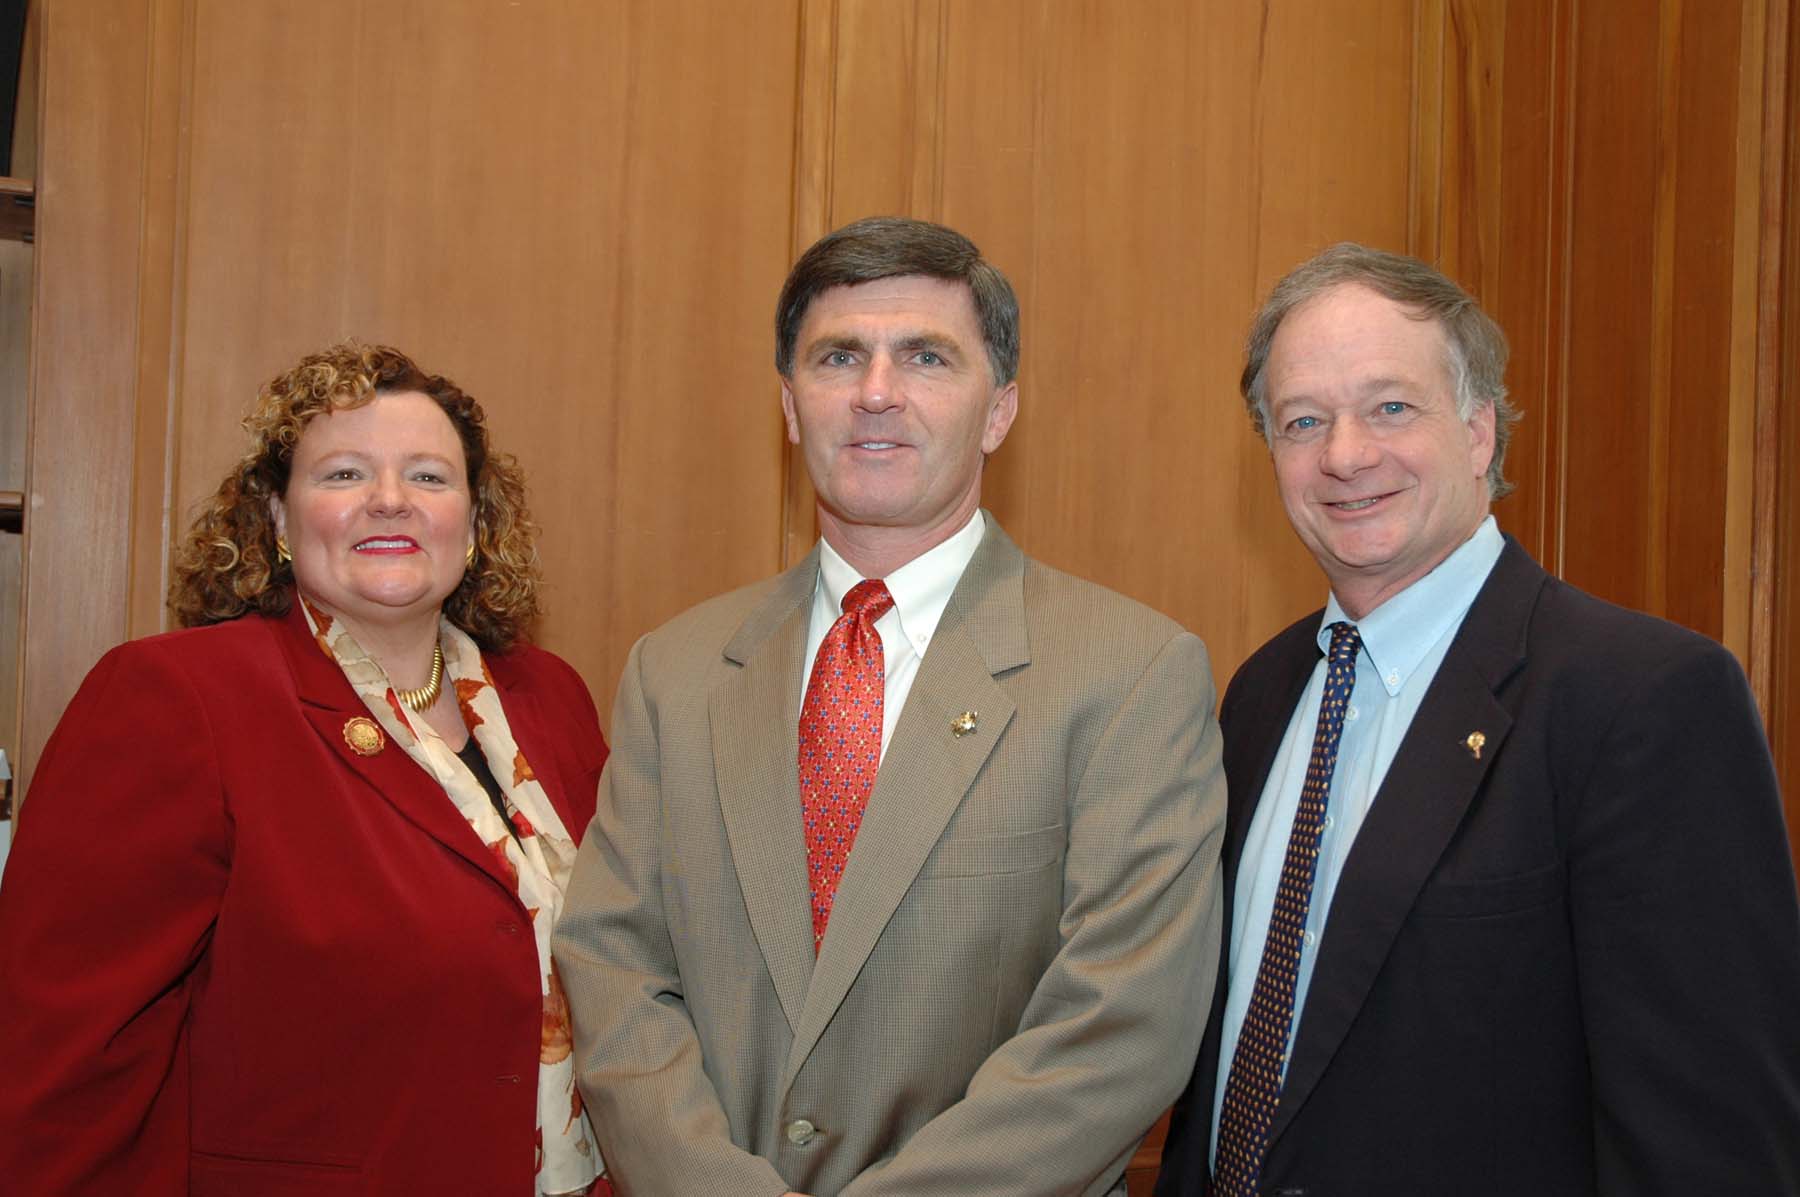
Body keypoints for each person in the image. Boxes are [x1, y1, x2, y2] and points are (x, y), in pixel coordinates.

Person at [553, 216, 1226, 1196]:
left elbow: (1120, 1031)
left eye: (926, 357)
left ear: (999, 411)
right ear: (791, 407)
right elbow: (616, 974)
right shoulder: (677, 671)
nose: (876, 393)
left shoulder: (1132, 675)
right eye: (839, 357)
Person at [1155, 243, 1800, 1196]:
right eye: (1303, 420)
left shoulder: (1643, 698)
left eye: (1390, 407)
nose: (1344, 453)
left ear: (1479, 432)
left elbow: (1712, 1140)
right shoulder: (1260, 691)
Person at [0, 344, 614, 1195]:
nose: (390, 499)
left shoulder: (553, 702)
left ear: (475, 527)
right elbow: (67, 1061)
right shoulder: (179, 698)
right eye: (345, 473)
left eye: (430, 477)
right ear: (280, 523)